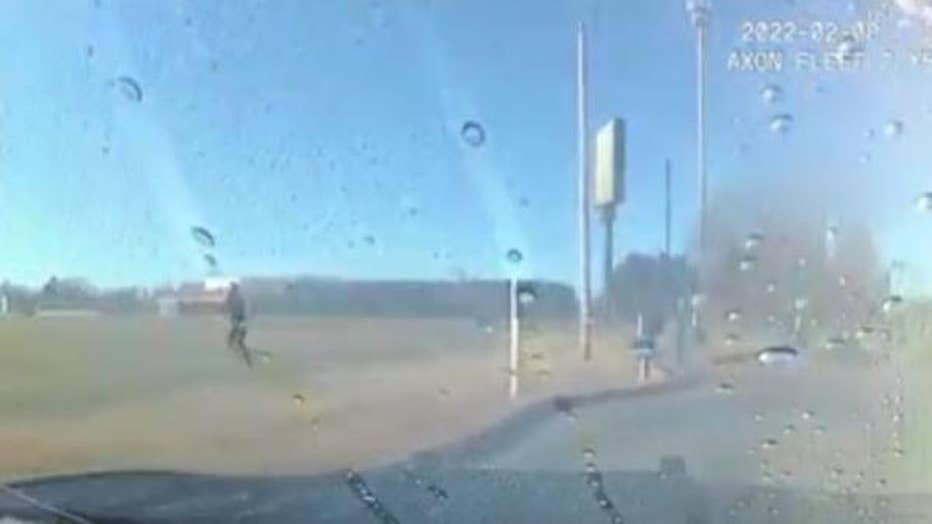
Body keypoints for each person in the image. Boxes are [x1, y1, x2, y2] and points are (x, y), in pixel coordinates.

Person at [223, 282, 252, 367]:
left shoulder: (236, 296)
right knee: (237, 335)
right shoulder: (233, 296)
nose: (231, 289)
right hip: (237, 318)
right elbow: (227, 305)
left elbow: (231, 306)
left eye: (232, 288)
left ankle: (234, 345)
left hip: (239, 318)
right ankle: (234, 344)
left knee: (238, 336)